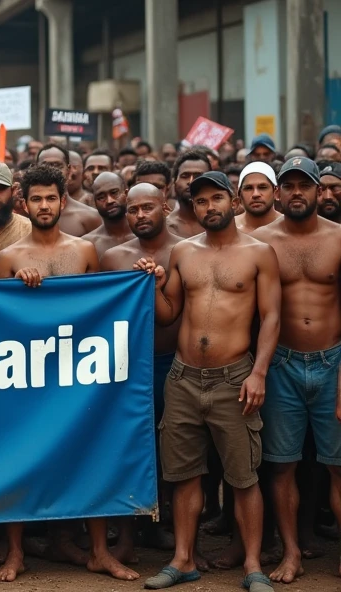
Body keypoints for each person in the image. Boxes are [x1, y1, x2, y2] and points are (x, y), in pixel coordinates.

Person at [137, 170, 280, 592]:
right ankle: (182, 560)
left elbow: (271, 316)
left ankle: (253, 565)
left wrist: (259, 373)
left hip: (234, 377)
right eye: (200, 201)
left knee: (243, 476)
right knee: (183, 476)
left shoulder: (259, 253)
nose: (208, 207)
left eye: (216, 198)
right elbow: (168, 314)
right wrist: (156, 285)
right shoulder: (182, 251)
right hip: (182, 378)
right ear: (193, 207)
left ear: (233, 201)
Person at [0, 165, 135, 583]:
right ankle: (15, 552)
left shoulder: (85, 252)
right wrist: (16, 287)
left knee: (91, 456)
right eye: (35, 199)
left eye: (50, 198)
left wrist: (145, 277)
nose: (43, 205)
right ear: (24, 203)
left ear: (64, 201)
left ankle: (98, 552)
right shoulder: (9, 258)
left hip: (80, 375)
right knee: (16, 461)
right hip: (24, 374)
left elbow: (106, 310)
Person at [247, 157, 341, 583]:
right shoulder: (261, 244)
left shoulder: (339, 239)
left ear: (321, 191)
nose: (297, 192)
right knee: (281, 465)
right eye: (290, 185)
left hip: (334, 361)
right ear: (279, 192)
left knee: (337, 465)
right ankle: (291, 554)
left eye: (306, 184)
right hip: (282, 362)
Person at [100, 182, 184, 555]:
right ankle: (129, 533)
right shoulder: (113, 258)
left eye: (148, 208)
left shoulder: (184, 250)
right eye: (133, 210)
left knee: (175, 451)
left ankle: (165, 528)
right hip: (128, 368)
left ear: (165, 207)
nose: (140, 216)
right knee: (130, 447)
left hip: (176, 364)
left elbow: (171, 318)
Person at [35, 144, 101, 236]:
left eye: (58, 165)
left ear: (69, 170)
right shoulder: (26, 216)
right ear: (36, 169)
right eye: (45, 165)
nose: (52, 170)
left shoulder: (90, 217)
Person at [82, 171, 134, 258]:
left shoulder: (145, 234)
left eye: (114, 193)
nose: (109, 201)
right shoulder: (87, 244)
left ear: (126, 194)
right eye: (101, 197)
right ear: (94, 202)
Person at [166, 150, 213, 238]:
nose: (191, 182)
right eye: (185, 176)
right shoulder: (164, 228)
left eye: (198, 176)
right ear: (174, 182)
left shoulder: (225, 224)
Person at [234, 162, 279, 233]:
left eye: (263, 187)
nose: (255, 194)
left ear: (276, 192)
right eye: (248, 188)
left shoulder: (291, 226)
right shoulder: (229, 229)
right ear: (239, 194)